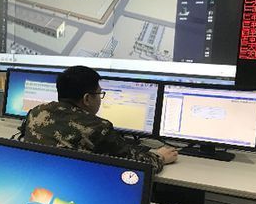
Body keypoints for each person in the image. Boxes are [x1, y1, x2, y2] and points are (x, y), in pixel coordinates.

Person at [23, 66, 177, 173]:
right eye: (99, 94)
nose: (100, 99)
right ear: (87, 99)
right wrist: (161, 156)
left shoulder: (36, 111)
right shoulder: (98, 128)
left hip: (38, 178)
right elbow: (139, 166)